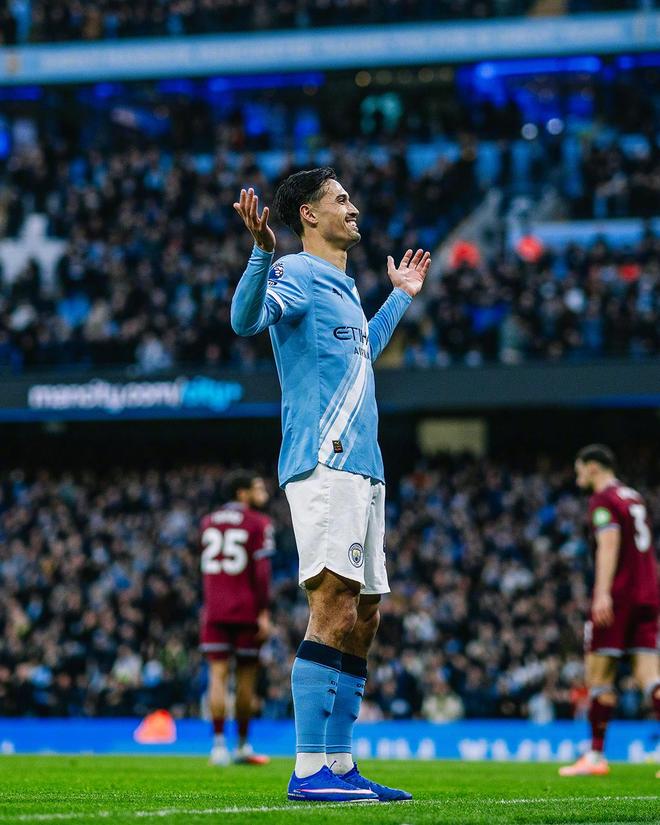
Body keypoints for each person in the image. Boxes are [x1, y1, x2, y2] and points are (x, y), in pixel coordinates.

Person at [231, 169, 430, 802]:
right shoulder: (294, 271)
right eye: (340, 199)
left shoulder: (342, 286)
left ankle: (339, 765)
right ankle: (308, 767)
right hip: (325, 460)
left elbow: (364, 346)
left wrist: (399, 297)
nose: (353, 207)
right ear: (309, 215)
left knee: (365, 614)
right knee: (334, 605)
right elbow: (244, 320)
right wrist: (262, 254)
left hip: (365, 468)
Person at [559, 444, 660, 778]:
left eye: (579, 470)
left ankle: (595, 755)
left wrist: (602, 593)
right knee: (650, 677)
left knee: (599, 678)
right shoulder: (633, 498)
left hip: (618, 597)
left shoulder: (603, 500)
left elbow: (609, 543)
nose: (577, 477)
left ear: (592, 467)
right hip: (648, 594)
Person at [199, 470, 274, 766]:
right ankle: (242, 745)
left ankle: (218, 747)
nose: (263, 493)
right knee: (246, 677)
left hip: (214, 609)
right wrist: (264, 611)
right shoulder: (258, 523)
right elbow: (262, 572)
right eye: (257, 488)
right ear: (242, 493)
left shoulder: (208, 521)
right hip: (246, 610)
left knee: (217, 677)